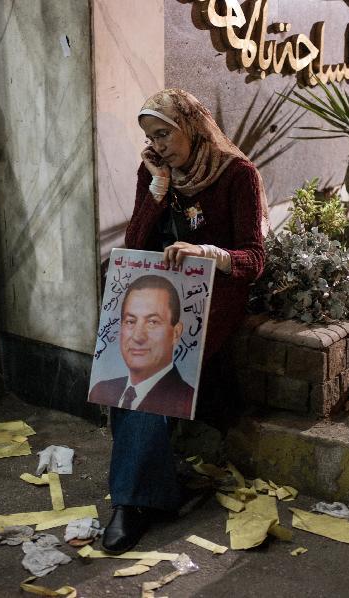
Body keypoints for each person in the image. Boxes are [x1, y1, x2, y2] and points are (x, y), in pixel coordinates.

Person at [101, 88, 267, 554]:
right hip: (161, 291)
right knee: (125, 355)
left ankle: (131, 505)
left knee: (152, 363)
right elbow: (135, 242)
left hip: (212, 293)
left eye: (165, 134)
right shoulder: (156, 172)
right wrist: (156, 187)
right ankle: (144, 492)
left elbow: (254, 259)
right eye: (151, 138)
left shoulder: (238, 174)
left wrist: (206, 253)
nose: (159, 146)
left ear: (191, 126)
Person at [88, 275, 195, 419]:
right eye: (130, 321)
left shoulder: (186, 401)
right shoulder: (101, 389)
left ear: (176, 333)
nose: (138, 337)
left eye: (152, 322)